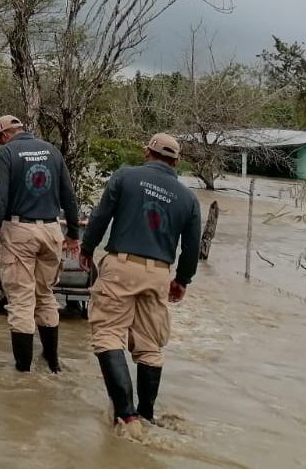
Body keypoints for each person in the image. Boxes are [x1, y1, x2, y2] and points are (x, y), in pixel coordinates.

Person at [79, 132, 201, 440]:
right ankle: (146, 415)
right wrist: (182, 281)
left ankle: (126, 415)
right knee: (149, 346)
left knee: (107, 334)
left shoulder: (126, 177)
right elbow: (191, 248)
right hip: (160, 272)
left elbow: (101, 216)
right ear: (177, 161)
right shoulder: (188, 198)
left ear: (147, 152)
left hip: (121, 264)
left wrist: (86, 249)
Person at [0, 114, 80, 373]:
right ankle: (53, 363)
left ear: (4, 135)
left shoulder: (6, 154)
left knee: (21, 301)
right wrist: (73, 233)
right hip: (52, 229)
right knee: (46, 296)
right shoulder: (51, 151)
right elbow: (69, 195)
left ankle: (23, 374)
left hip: (20, 231)